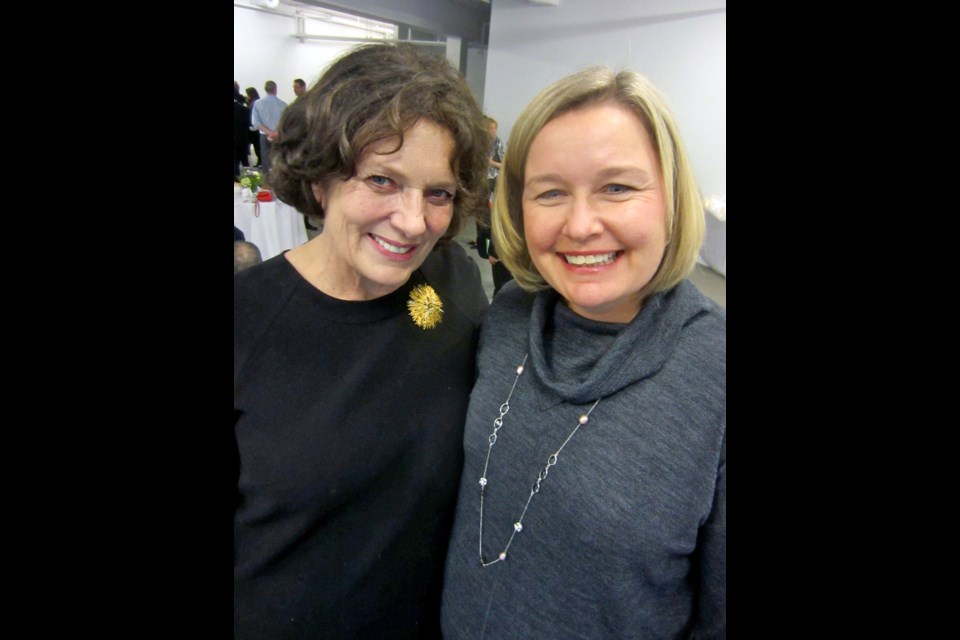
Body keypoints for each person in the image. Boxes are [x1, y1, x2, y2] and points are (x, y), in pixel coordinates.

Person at [441, 67, 726, 639]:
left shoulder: (713, 373)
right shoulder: (507, 316)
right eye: (550, 192)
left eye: (617, 187)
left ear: (672, 198)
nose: (579, 225)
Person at [234, 42, 490, 639]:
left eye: (439, 193)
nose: (412, 220)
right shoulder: (247, 323)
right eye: (382, 179)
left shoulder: (451, 280)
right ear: (320, 178)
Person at [250, 80, 288, 179]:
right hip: (279, 135)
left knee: (266, 162)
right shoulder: (283, 104)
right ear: (275, 89)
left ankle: (267, 185)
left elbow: (256, 122)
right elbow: (286, 122)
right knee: (279, 160)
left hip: (264, 135)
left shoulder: (258, 104)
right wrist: (275, 132)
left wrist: (269, 132)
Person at [234, 84, 252, 181]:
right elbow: (249, 124)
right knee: (245, 161)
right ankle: (250, 180)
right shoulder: (245, 109)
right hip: (242, 139)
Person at [244, 87, 262, 166]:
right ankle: (260, 160)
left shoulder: (254, 103)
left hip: (254, 128)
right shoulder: (256, 102)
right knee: (257, 146)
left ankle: (260, 161)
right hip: (256, 128)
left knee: (257, 146)